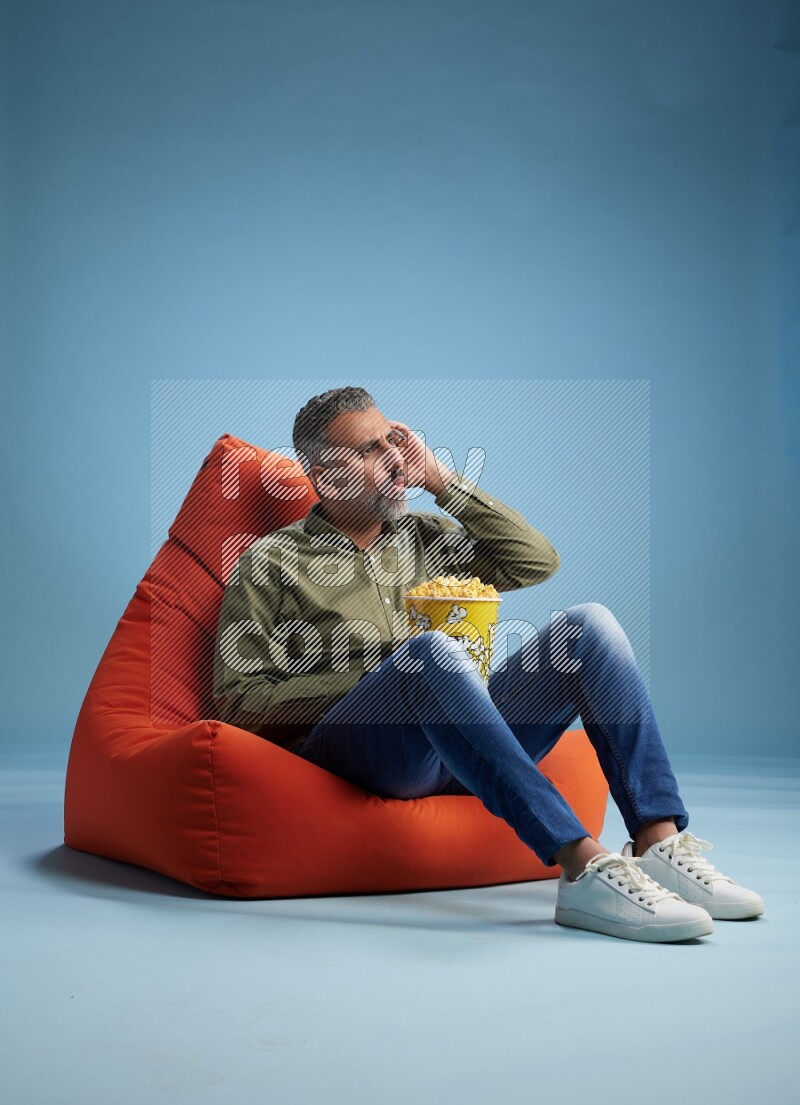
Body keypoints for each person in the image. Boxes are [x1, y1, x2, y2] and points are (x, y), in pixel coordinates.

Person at [213, 386, 764, 943]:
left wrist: (443, 484)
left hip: (464, 744)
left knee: (589, 625)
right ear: (326, 475)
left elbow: (536, 561)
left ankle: (657, 841)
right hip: (369, 754)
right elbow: (237, 701)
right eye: (369, 450)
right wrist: (380, 675)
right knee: (427, 653)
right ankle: (582, 867)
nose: (394, 458)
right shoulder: (272, 561)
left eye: (393, 442)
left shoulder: (426, 537)